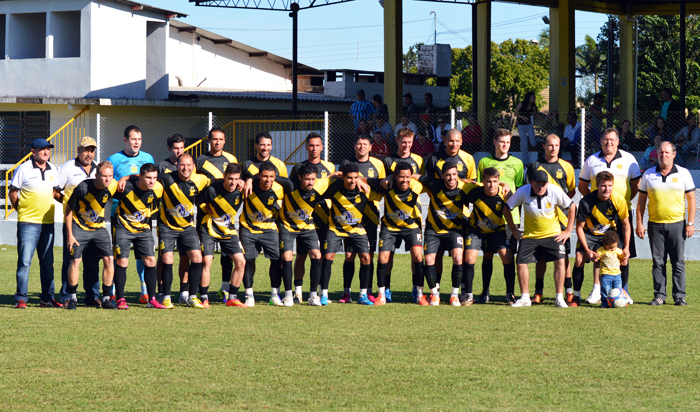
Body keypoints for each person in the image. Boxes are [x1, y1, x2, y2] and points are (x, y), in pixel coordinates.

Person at [578, 127, 641, 304]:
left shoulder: (629, 159)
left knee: (622, 253)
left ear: (618, 141)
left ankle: (624, 290)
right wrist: (594, 204)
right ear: (600, 141)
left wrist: (623, 200)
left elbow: (636, 185)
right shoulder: (591, 160)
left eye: (612, 139)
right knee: (600, 252)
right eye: (605, 139)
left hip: (620, 212)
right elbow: (583, 187)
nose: (609, 142)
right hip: (596, 214)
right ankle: (598, 290)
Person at [637, 141, 696, 306]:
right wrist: (639, 223)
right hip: (655, 225)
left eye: (667, 152)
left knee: (678, 261)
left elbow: (691, 201)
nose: (664, 155)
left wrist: (690, 223)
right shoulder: (648, 174)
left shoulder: (683, 174)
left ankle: (679, 296)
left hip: (677, 224)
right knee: (658, 262)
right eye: (661, 152)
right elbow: (641, 202)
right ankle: (659, 296)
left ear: (674, 154)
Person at [506, 170, 575, 308]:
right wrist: (514, 229)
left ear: (547, 184)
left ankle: (559, 298)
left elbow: (572, 206)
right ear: (531, 182)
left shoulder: (555, 191)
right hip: (530, 235)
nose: (541, 187)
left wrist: (567, 231)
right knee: (520, 262)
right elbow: (506, 208)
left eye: (544, 184)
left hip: (552, 235)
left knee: (560, 261)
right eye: (538, 184)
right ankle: (525, 298)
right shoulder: (522, 191)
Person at [417, 162, 480, 306]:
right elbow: (415, 176)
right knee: (429, 259)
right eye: (448, 175)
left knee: (458, 257)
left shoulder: (465, 187)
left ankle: (454, 295)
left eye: (454, 175)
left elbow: (486, 187)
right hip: (433, 231)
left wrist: (503, 184)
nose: (451, 178)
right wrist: (390, 178)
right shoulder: (434, 184)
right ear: (442, 176)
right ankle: (434, 295)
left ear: (458, 175)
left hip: (454, 230)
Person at [10, 138, 62, 309]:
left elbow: (55, 192)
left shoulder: (53, 168)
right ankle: (21, 299)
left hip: (48, 223)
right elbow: (13, 193)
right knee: (25, 262)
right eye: (42, 149)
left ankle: (47, 299)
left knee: (47, 262)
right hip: (27, 223)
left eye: (48, 149)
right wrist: (22, 210)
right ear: (33, 152)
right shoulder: (23, 168)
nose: (46, 152)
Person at [320, 162, 381, 305]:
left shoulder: (365, 190)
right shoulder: (334, 188)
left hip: (356, 229)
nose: (353, 181)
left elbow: (382, 187)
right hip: (335, 229)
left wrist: (362, 179)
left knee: (366, 258)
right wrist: (336, 174)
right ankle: (324, 294)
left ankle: (362, 295)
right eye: (349, 178)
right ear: (343, 178)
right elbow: (320, 184)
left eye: (355, 177)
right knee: (328, 257)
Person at [107, 125, 154, 304]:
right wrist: (122, 179)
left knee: (143, 255)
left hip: (142, 215)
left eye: (139, 139)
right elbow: (109, 180)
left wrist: (129, 177)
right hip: (119, 215)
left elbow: (151, 178)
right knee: (119, 255)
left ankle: (144, 290)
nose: (137, 143)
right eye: (133, 139)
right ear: (125, 140)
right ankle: (113, 292)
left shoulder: (147, 158)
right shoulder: (114, 159)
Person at [475, 129, 524, 304]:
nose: (505, 145)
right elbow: (479, 186)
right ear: (495, 142)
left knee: (508, 256)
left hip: (511, 219)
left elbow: (520, 190)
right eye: (501, 141)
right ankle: (484, 292)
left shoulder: (517, 163)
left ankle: (510, 293)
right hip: (488, 218)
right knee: (487, 255)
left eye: (508, 142)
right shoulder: (484, 162)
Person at [527, 134, 576, 305]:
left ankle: (568, 291)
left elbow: (571, 192)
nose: (553, 148)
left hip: (561, 221)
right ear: (544, 146)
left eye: (556, 145)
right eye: (550, 145)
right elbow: (530, 191)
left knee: (563, 256)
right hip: (540, 219)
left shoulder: (567, 167)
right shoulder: (535, 166)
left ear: (559, 146)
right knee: (540, 257)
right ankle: (538, 291)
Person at [367, 162, 424, 305]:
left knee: (418, 256)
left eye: (407, 177)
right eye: (401, 177)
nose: (404, 180)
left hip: (411, 226)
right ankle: (382, 293)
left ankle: (419, 293)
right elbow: (364, 179)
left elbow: (435, 181)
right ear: (395, 177)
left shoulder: (417, 186)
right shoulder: (387, 186)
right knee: (383, 258)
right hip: (390, 228)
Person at [64, 161, 118, 310]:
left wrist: (129, 177)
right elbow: (68, 209)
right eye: (104, 176)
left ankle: (106, 298)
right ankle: (73, 297)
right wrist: (70, 235)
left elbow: (127, 183)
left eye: (110, 176)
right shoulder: (83, 187)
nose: (107, 179)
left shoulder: (112, 185)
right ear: (96, 175)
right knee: (75, 261)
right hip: (79, 226)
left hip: (99, 228)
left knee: (109, 259)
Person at [157, 153, 210, 309]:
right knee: (167, 260)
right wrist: (126, 179)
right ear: (177, 166)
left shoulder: (200, 179)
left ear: (193, 166)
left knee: (197, 258)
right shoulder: (166, 178)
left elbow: (217, 181)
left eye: (188, 165)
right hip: (167, 227)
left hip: (187, 228)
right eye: (182, 165)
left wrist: (243, 181)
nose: (185, 168)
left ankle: (192, 297)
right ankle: (166, 297)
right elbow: (147, 176)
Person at [338, 135, 386, 303]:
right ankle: (346, 293)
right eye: (359, 144)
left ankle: (367, 292)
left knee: (368, 255)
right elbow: (338, 180)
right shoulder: (346, 164)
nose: (361, 147)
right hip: (351, 216)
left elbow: (381, 185)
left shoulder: (378, 164)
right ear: (354, 146)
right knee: (350, 255)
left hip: (371, 215)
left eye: (365, 144)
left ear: (370, 147)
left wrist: (362, 180)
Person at [290, 133, 336, 304]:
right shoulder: (298, 168)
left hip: (325, 217)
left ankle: (321, 293)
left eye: (317, 145)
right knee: (301, 255)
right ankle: (298, 292)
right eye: (311, 145)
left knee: (322, 256)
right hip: (305, 219)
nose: (314, 148)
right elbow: (292, 192)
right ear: (306, 147)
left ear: (322, 147)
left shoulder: (329, 167)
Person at [276, 163, 330, 306]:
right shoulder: (289, 184)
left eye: (313, 179)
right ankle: (288, 296)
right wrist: (250, 179)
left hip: (307, 227)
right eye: (307, 179)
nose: (310, 182)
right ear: (299, 178)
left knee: (317, 255)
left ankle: (313, 296)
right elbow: (270, 177)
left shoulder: (319, 185)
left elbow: (334, 177)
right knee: (287, 256)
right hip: (287, 226)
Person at [574, 171, 631, 307]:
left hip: (609, 235)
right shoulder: (586, 202)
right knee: (579, 259)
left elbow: (626, 224)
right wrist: (587, 250)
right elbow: (579, 228)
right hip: (590, 234)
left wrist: (627, 247)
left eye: (610, 185)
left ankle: (622, 293)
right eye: (603, 186)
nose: (607, 189)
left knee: (623, 257)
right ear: (597, 186)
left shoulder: (618, 200)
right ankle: (576, 296)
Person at [196, 127, 239, 303]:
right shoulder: (200, 160)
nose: (218, 142)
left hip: (226, 217)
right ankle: (200, 291)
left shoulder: (231, 159)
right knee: (206, 257)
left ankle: (225, 287)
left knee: (228, 256)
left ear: (225, 140)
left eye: (221, 139)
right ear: (209, 140)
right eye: (214, 139)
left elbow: (237, 179)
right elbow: (197, 186)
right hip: (206, 214)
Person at [56, 136, 100, 307]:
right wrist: (70, 204)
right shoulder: (67, 167)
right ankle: (67, 296)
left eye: (92, 150)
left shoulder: (98, 168)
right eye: (86, 149)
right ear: (78, 150)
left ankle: (92, 296)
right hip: (73, 222)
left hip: (93, 224)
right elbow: (55, 191)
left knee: (92, 261)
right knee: (70, 259)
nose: (89, 153)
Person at [112, 163, 163, 309]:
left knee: (150, 261)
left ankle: (151, 299)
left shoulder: (158, 189)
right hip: (123, 229)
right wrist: (125, 177)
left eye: (154, 178)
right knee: (122, 262)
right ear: (140, 177)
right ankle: (120, 299)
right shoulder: (125, 187)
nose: (152, 181)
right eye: (148, 178)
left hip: (144, 231)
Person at [465, 167, 517, 305]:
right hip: (477, 230)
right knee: (470, 257)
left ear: (499, 181)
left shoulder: (504, 193)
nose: (491, 184)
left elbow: (508, 212)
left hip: (497, 230)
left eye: (495, 181)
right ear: (483, 181)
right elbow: (460, 182)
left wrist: (515, 231)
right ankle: (470, 295)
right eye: (488, 181)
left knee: (507, 257)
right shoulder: (474, 191)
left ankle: (510, 294)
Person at [199, 163, 247, 308]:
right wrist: (205, 208)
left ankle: (232, 297)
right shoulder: (212, 190)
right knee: (206, 261)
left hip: (228, 230)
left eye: (236, 179)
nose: (233, 182)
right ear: (224, 177)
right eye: (230, 178)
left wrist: (247, 182)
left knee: (241, 262)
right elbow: (198, 201)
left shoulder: (241, 190)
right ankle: (203, 297)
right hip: (209, 229)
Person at [240, 162, 285, 306]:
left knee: (277, 260)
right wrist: (247, 180)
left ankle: (274, 295)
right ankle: (249, 296)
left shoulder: (279, 189)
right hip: (248, 228)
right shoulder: (249, 187)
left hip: (269, 229)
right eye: (265, 176)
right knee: (249, 260)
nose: (268, 180)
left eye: (271, 177)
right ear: (258, 176)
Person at [593, 231, 628, 307]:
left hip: (617, 275)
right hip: (606, 275)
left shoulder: (618, 250)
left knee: (618, 289)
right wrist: (596, 256)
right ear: (605, 244)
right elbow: (597, 257)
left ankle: (620, 301)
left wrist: (625, 254)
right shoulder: (601, 250)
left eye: (614, 247)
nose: (612, 249)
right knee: (605, 289)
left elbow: (622, 257)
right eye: (610, 248)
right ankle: (605, 302)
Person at [515, 92, 539, 164]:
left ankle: (538, 139)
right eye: (533, 97)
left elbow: (535, 115)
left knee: (533, 143)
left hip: (529, 126)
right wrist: (522, 117)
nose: (534, 99)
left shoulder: (533, 107)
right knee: (524, 145)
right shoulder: (521, 104)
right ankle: (526, 162)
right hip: (521, 126)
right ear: (529, 98)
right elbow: (515, 113)